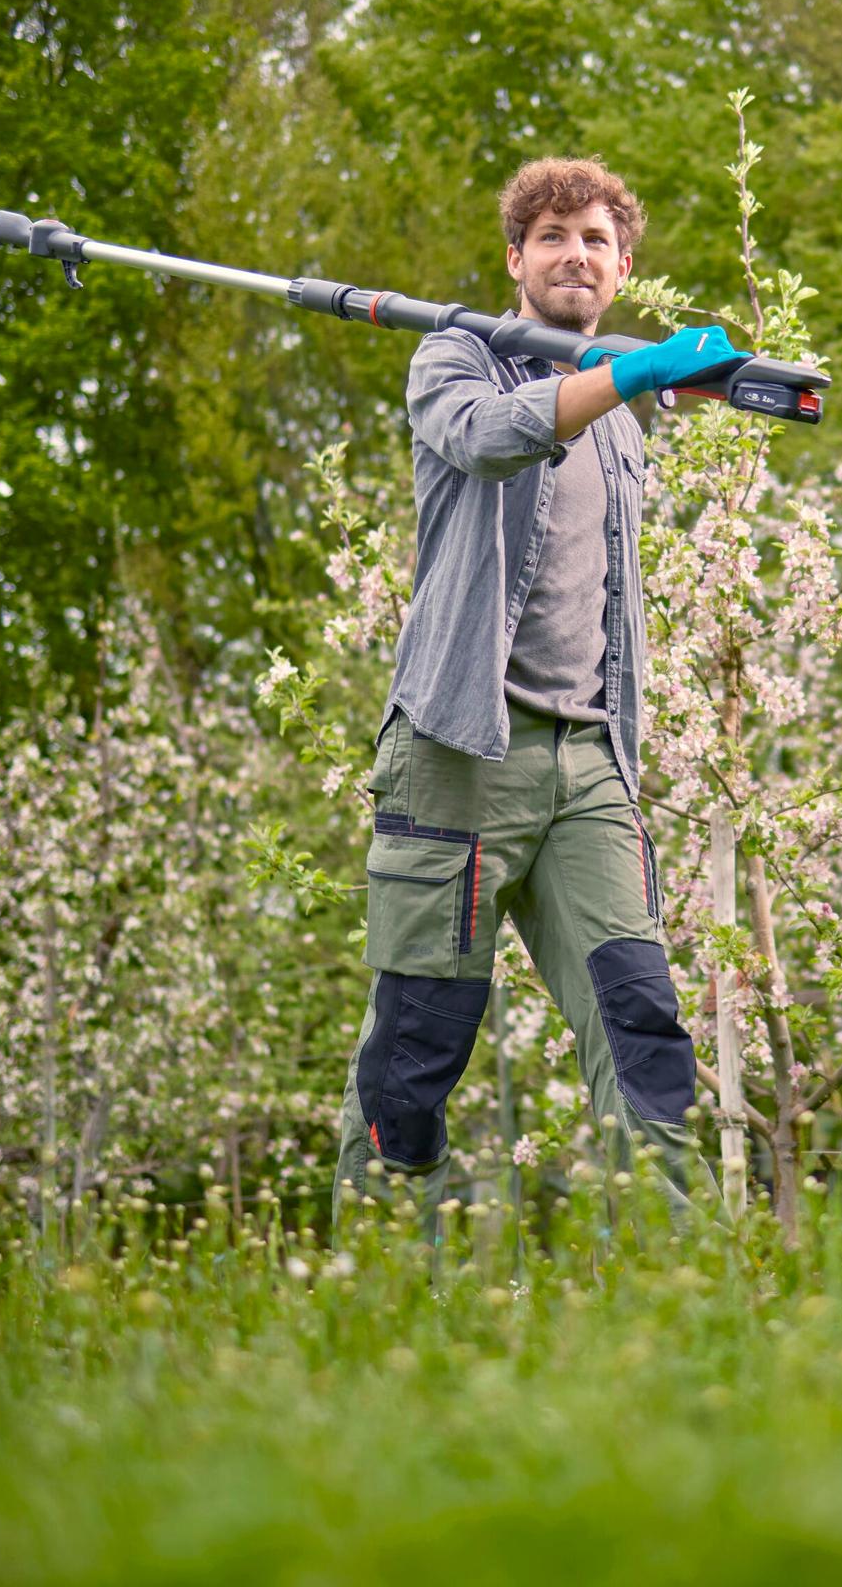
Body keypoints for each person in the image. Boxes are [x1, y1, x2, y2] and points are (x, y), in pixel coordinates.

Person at [332, 157, 748, 1227]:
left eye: (597, 239)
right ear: (516, 258)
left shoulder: (621, 410)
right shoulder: (453, 356)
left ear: (622, 267)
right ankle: (361, 1295)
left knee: (642, 1027)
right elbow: (490, 435)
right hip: (460, 755)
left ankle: (679, 1291)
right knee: (417, 1054)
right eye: (553, 235)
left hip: (588, 764)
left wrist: (664, 379)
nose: (576, 253)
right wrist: (636, 375)